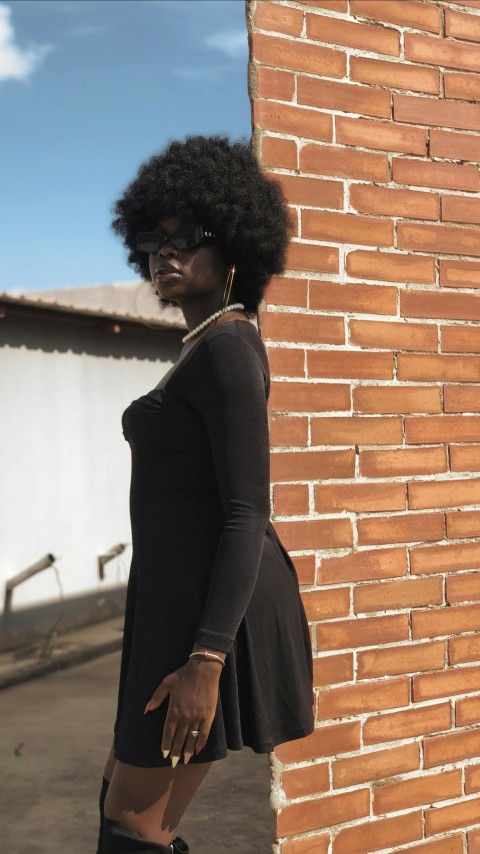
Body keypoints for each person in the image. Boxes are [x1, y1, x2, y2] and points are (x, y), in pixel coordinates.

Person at [97, 135, 315, 853]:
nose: (167, 252)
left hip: (209, 618)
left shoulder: (227, 348)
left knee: (133, 830)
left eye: (187, 236)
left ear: (234, 248)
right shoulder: (202, 346)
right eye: (152, 240)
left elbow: (249, 510)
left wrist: (206, 660)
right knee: (121, 807)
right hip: (175, 602)